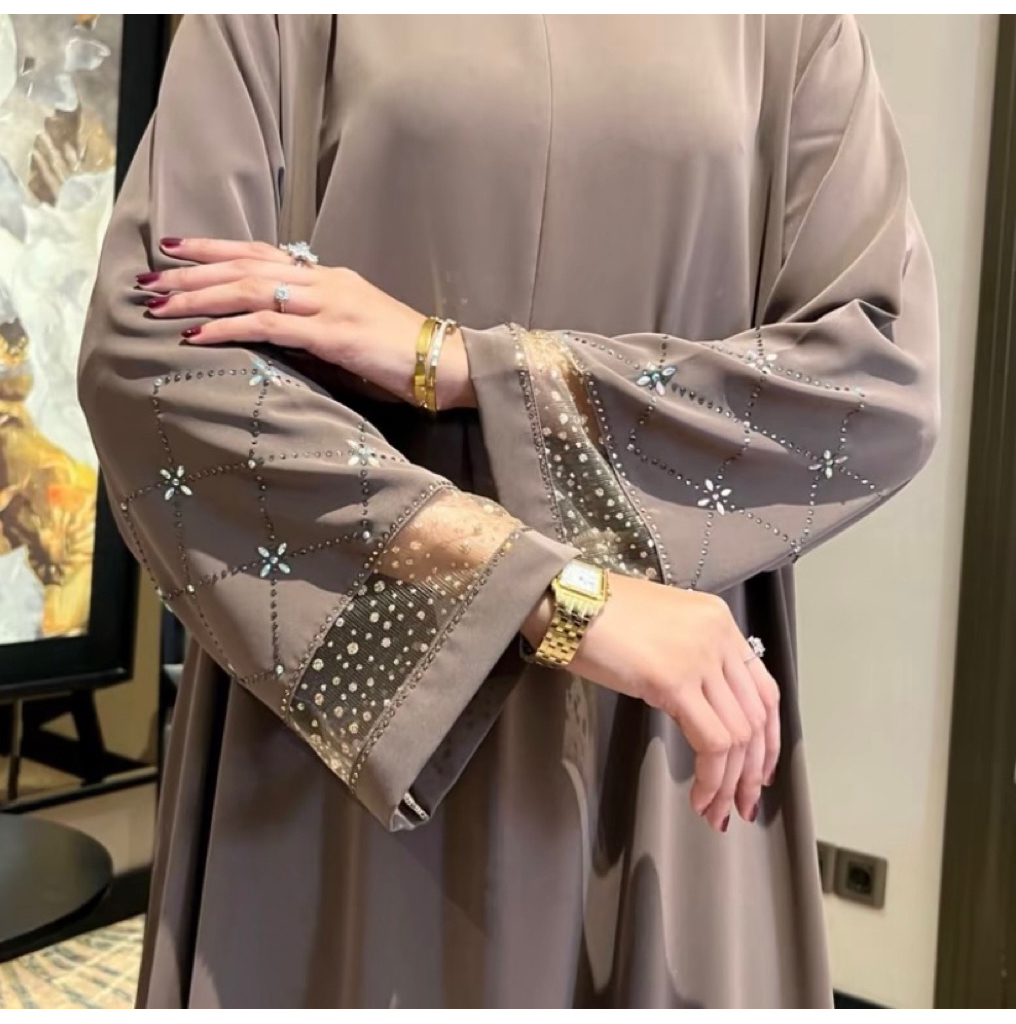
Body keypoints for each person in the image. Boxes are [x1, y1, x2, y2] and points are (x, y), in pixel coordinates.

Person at [78, 14, 938, 1008]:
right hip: (351, 711)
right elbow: (152, 352)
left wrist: (456, 361)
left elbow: (879, 375)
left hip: (662, 727)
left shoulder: (789, 27)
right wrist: (552, 594)